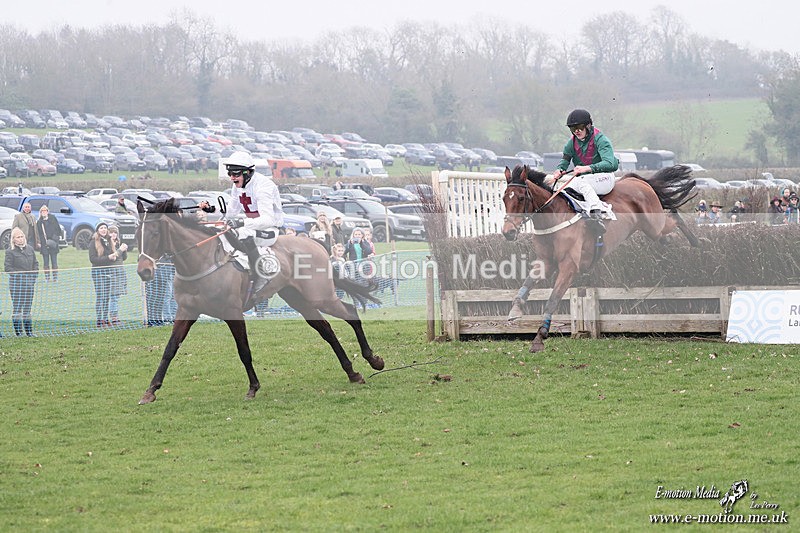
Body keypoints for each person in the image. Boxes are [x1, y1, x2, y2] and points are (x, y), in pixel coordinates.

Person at [222, 151, 284, 294]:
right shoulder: (237, 186)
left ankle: (261, 273)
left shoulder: (264, 187)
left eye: (235, 173)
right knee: (221, 231)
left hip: (270, 230)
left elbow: (268, 219)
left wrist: (242, 222)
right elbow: (230, 211)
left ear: (248, 172)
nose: (232, 178)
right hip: (253, 226)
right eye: (229, 173)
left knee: (243, 232)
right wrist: (211, 210)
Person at [552, 109, 619, 231]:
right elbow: (565, 160)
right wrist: (559, 170)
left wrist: (586, 168)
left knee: (583, 182)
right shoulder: (571, 143)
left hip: (605, 178)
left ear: (588, 125)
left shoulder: (601, 140)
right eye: (573, 128)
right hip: (586, 179)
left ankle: (598, 213)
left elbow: (610, 164)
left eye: (579, 127)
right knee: (565, 191)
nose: (576, 131)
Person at [4, 227, 39, 336]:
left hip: (29, 285)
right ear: (13, 239)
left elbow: (36, 264)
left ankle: (29, 332)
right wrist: (21, 276)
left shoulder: (30, 249)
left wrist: (33, 278)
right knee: (18, 309)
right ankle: (18, 332)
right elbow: (8, 268)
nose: (20, 239)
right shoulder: (10, 251)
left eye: (22, 236)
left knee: (27, 309)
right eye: (18, 237)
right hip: (17, 286)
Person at [88, 221, 119, 328]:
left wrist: (114, 257)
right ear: (97, 230)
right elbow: (93, 259)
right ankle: (99, 319)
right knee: (100, 295)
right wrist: (108, 258)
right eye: (101, 228)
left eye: (105, 228)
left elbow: (113, 256)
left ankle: (106, 319)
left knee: (107, 296)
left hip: (108, 271)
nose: (103, 230)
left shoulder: (109, 241)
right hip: (98, 272)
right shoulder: (93, 242)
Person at [106, 224, 129, 326]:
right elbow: (113, 257)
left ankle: (114, 316)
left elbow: (123, 258)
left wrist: (124, 250)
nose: (113, 234)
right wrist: (120, 250)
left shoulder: (118, 243)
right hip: (112, 273)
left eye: (115, 232)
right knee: (113, 296)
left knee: (117, 296)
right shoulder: (107, 244)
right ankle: (114, 317)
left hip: (120, 272)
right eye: (111, 232)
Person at [35, 204, 61, 281]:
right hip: (44, 244)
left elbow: (58, 230)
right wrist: (41, 242)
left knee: (54, 261)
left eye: (45, 210)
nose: (44, 212)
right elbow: (39, 234)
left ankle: (55, 278)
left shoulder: (53, 218)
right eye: (42, 211)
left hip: (53, 243)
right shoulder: (39, 222)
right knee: (46, 262)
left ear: (47, 211)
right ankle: (47, 278)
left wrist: (54, 238)